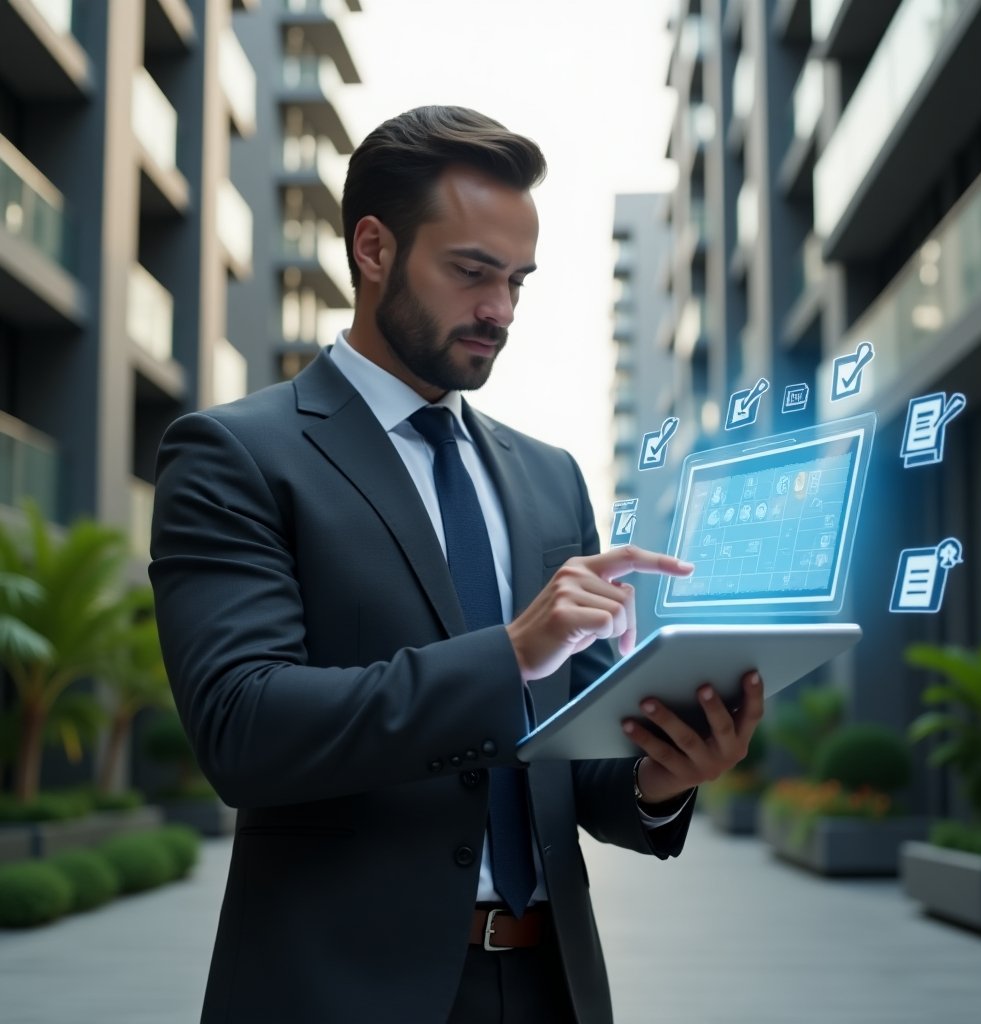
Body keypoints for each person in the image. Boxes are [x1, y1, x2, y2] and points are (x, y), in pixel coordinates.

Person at [149, 105, 763, 1024]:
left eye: (519, 281)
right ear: (373, 249)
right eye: (473, 272)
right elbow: (243, 725)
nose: (500, 311)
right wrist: (508, 653)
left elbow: (575, 762)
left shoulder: (549, 479)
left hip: (548, 986)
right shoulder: (237, 455)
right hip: (338, 994)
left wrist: (666, 771)